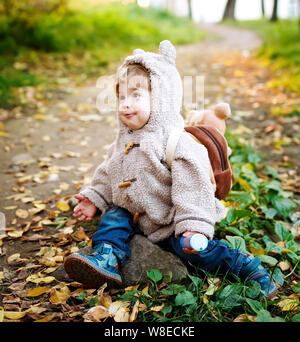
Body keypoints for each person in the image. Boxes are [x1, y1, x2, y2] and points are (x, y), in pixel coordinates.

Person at [64, 40, 278, 298]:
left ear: (162, 99)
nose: (125, 104)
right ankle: (106, 258)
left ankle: (245, 267)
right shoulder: (124, 139)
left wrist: (193, 225)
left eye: (136, 95)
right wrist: (94, 198)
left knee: (195, 252)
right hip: (135, 214)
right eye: (121, 96)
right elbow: (109, 170)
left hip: (171, 219)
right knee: (113, 219)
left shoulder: (176, 142)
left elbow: (194, 186)